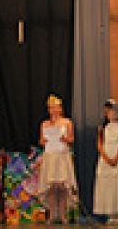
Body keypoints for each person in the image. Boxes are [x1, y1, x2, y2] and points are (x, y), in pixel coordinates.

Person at [38, 94, 78, 224]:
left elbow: (71, 139)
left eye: (56, 107)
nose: (54, 110)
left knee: (62, 186)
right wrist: (43, 141)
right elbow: (41, 141)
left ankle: (62, 215)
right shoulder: (45, 124)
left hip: (62, 156)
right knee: (51, 186)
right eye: (51, 108)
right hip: (50, 156)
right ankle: (51, 215)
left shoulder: (67, 122)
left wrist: (65, 139)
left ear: (60, 109)